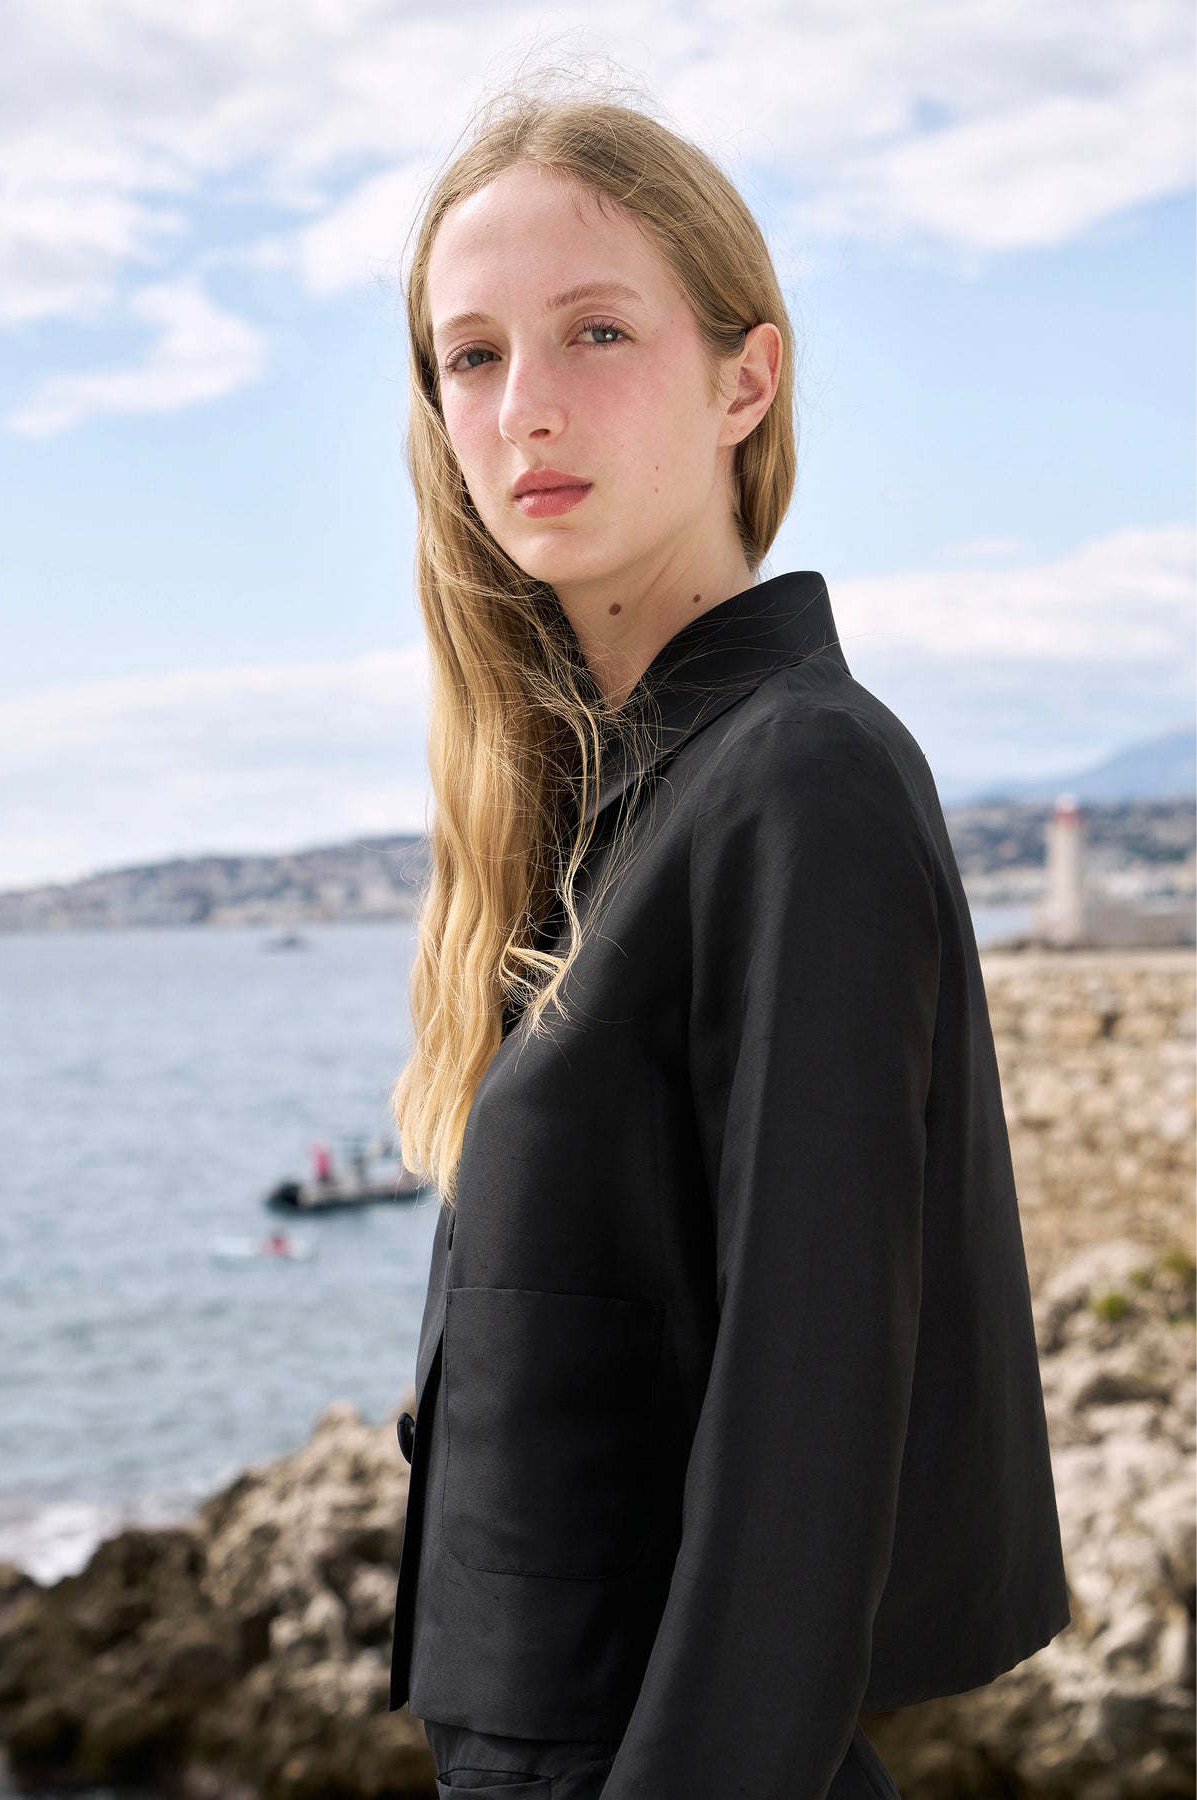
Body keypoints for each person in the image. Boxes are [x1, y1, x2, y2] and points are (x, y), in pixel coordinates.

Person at [385, 71, 1071, 1800]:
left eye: (596, 333)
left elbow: (804, 1441)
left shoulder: (800, 782)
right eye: (473, 355)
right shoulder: (605, 812)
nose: (525, 408)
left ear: (741, 380)